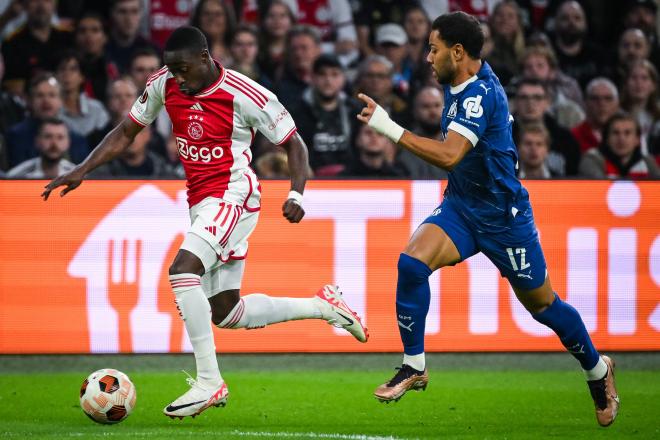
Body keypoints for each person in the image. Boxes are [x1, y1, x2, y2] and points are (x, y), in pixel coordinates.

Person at [41, 26, 367, 419]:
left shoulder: (248, 95)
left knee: (183, 272)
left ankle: (209, 382)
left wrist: (296, 193)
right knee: (227, 313)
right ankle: (325, 307)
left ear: (205, 58)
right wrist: (82, 168)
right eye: (171, 69)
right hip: (200, 201)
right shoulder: (164, 84)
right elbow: (128, 130)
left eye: (183, 69)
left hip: (235, 195)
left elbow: (293, 143)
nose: (177, 77)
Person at [356, 11, 619, 426]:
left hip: (504, 218)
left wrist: (388, 126)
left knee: (543, 306)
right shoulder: (462, 77)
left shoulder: (479, 94)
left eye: (434, 48)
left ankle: (597, 370)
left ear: (457, 52)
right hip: (463, 205)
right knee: (411, 262)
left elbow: (449, 155)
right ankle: (414, 364)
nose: (427, 57)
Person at [579, 112, 660, 179]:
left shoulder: (647, 162)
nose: (621, 139)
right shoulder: (592, 159)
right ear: (606, 138)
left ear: (637, 140)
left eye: (627, 133)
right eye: (615, 133)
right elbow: (600, 190)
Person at [7, 117, 74, 178]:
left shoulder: (77, 176)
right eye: (48, 136)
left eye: (60, 137)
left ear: (68, 143)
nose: (54, 143)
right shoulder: (16, 176)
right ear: (37, 141)